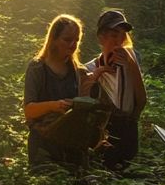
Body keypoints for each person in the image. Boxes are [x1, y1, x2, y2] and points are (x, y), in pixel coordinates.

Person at [22, 15, 101, 172]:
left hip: (73, 145)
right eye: (67, 39)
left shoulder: (78, 71)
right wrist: (54, 106)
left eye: (76, 40)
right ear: (53, 39)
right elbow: (29, 110)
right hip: (44, 146)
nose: (72, 45)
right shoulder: (37, 68)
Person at [83, 9, 147, 171]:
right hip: (103, 130)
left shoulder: (130, 61)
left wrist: (134, 118)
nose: (119, 40)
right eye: (113, 35)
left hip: (128, 127)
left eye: (122, 35)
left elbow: (141, 98)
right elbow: (82, 98)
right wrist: (99, 73)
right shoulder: (91, 67)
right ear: (101, 37)